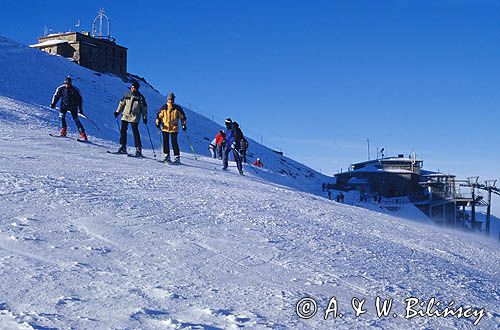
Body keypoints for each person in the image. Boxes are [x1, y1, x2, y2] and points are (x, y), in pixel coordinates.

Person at [114, 80, 148, 156]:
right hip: (125, 115)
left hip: (134, 116)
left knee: (135, 132)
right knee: (123, 130)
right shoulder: (126, 95)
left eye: (133, 88)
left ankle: (138, 148)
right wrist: (117, 112)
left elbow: (144, 108)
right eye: (131, 87)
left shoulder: (140, 97)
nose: (132, 89)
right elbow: (121, 104)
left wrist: (144, 117)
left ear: (136, 89)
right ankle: (122, 146)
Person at [50, 76, 87, 141]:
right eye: (66, 83)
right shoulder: (61, 89)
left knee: (76, 120)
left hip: (73, 107)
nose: (67, 85)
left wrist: (80, 109)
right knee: (62, 117)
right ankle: (63, 131)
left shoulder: (75, 90)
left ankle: (83, 135)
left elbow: (80, 99)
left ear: (71, 83)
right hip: (64, 106)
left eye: (68, 84)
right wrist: (53, 104)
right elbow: (56, 96)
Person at [156, 92, 187, 164]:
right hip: (165, 127)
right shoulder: (164, 108)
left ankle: (177, 157)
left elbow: (182, 117)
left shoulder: (177, 108)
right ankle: (166, 156)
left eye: (172, 99)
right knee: (165, 142)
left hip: (174, 128)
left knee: (174, 142)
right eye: (170, 99)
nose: (171, 100)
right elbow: (159, 116)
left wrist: (184, 125)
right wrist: (158, 122)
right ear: (167, 99)